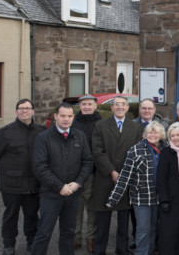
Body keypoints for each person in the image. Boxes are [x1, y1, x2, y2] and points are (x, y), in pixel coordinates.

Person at [30, 102, 93, 255]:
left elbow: (87, 161)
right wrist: (59, 187)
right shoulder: (43, 138)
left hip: (73, 193)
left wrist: (78, 183)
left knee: (68, 232)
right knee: (44, 232)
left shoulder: (80, 136)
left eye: (69, 116)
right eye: (63, 116)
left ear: (73, 117)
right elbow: (40, 167)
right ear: (56, 117)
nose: (66, 119)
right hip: (51, 194)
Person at [0, 99, 45, 255]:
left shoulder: (41, 131)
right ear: (16, 112)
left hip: (34, 184)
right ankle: (9, 244)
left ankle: (31, 241)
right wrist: (9, 170)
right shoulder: (4, 133)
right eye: (21, 108)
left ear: (33, 112)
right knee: (10, 215)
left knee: (32, 215)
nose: (24, 111)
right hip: (11, 184)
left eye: (28, 108)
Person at [90, 95, 144, 255]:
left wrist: (125, 174)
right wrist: (112, 171)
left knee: (123, 219)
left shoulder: (135, 128)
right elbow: (97, 151)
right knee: (103, 220)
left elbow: (136, 152)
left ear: (127, 108)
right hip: (105, 177)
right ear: (112, 108)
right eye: (117, 104)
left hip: (126, 179)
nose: (120, 107)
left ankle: (122, 249)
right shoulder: (100, 125)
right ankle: (99, 250)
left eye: (123, 104)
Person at [106, 122, 166, 255]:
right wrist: (113, 198)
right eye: (150, 132)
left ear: (161, 134)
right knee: (143, 229)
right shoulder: (135, 150)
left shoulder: (165, 148)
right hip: (141, 197)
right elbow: (125, 176)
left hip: (158, 197)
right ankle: (141, 252)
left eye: (156, 132)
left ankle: (149, 251)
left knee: (153, 228)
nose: (153, 135)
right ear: (145, 134)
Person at [72, 94, 101, 252]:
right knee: (76, 207)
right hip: (75, 173)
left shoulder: (101, 123)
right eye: (84, 104)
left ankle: (91, 238)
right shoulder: (73, 123)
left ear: (95, 105)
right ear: (80, 106)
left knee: (92, 207)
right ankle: (76, 238)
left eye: (90, 104)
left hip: (93, 172)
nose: (87, 107)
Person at [156, 122, 179, 255]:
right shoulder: (166, 152)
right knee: (169, 230)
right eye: (172, 136)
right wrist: (164, 199)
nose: (176, 138)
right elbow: (161, 177)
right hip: (170, 197)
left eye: (178, 135)